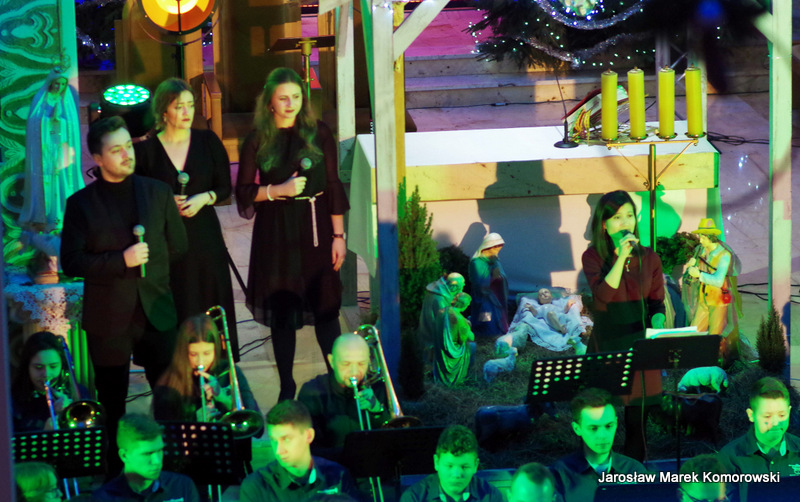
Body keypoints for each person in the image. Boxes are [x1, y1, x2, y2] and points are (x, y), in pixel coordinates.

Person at [60, 115, 188, 468]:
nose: (126, 154)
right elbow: (71, 261)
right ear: (98, 159)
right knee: (113, 403)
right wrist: (122, 260)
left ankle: (171, 466)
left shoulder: (158, 192)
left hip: (156, 310)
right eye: (116, 150)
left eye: (128, 146)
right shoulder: (81, 204)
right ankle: (116, 471)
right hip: (109, 316)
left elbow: (178, 246)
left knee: (168, 400)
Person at [236, 67, 349, 402]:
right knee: (283, 312)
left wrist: (339, 236)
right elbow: (243, 192)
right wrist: (277, 190)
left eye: (296, 97)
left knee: (325, 307)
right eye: (283, 98)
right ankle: (287, 387)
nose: (291, 104)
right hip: (277, 230)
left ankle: (338, 383)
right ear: (269, 102)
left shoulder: (319, 132)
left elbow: (332, 185)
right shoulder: (257, 139)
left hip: (316, 226)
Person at [134, 78, 239, 359]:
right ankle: (176, 365)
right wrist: (164, 202)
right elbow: (138, 196)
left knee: (208, 296)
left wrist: (205, 197)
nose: (186, 112)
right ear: (163, 110)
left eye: (191, 105)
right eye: (179, 106)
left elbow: (224, 188)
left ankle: (216, 364)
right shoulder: (145, 151)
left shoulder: (207, 141)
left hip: (204, 236)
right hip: (166, 240)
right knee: (177, 299)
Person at [581, 190, 666, 461]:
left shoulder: (650, 258)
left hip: (640, 343)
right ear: (604, 224)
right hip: (609, 342)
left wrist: (658, 322)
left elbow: (656, 302)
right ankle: (597, 467)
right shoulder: (593, 257)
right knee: (599, 414)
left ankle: (635, 470)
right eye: (617, 217)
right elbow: (603, 296)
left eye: (629, 215)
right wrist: (620, 257)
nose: (625, 222)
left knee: (636, 421)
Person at [239, 400, 361, 502]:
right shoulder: (256, 486)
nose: (278, 450)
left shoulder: (338, 475)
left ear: (309, 436)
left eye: (286, 439)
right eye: (274, 440)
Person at [152, 314, 260, 424]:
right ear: (183, 351)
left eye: (207, 353)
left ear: (215, 349)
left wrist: (226, 400)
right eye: (193, 354)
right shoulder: (167, 386)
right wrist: (195, 423)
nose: (200, 361)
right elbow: (163, 430)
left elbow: (256, 425)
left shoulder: (229, 371)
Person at [297, 333, 390, 458]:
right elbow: (309, 448)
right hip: (332, 467)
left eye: (361, 363)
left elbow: (394, 439)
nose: (354, 371)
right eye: (346, 364)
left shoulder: (378, 387)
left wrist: (377, 411)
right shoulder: (313, 391)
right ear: (331, 361)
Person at [550, 388, 647, 502]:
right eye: (593, 428)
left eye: (609, 426)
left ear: (616, 423)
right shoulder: (560, 474)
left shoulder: (633, 469)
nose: (603, 435)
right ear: (577, 428)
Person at [19, 68, 84, 233]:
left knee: (60, 177)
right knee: (46, 177)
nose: (59, 86)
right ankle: (44, 216)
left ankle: (61, 213)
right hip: (45, 148)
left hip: (61, 147)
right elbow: (34, 121)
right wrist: (49, 120)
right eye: (57, 83)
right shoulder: (42, 98)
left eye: (62, 84)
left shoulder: (65, 100)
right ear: (51, 83)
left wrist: (59, 121)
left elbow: (71, 125)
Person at [91, 413, 199, 502]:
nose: (157, 461)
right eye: (147, 454)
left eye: (160, 450)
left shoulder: (182, 486)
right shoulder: (103, 498)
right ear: (124, 456)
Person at [683, 218, 742, 364]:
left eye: (703, 237)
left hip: (718, 300)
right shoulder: (702, 250)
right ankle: (696, 361)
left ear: (710, 237)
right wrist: (692, 264)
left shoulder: (724, 255)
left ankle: (717, 363)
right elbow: (698, 267)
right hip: (704, 298)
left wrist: (699, 275)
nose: (700, 240)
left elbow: (718, 280)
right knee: (695, 330)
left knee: (715, 335)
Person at [399, 425, 504, 502]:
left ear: (475, 465)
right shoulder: (414, 498)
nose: (457, 474)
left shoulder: (491, 496)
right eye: (449, 466)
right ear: (436, 462)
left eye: (465, 467)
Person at [11, 331, 90, 432]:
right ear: (27, 367)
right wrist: (44, 433)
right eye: (38, 367)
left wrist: (70, 413)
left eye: (53, 366)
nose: (46, 374)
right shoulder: (11, 399)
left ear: (62, 365)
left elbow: (88, 433)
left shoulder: (79, 392)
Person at [720, 377, 800, 476]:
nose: (776, 423)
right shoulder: (730, 457)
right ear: (751, 415)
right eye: (767, 416)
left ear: (789, 411)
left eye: (782, 415)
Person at [469, 233, 509, 336]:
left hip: (495, 296)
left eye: (501, 245)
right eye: (497, 246)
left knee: (497, 316)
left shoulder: (496, 261)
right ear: (489, 246)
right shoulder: (476, 263)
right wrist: (492, 278)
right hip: (483, 297)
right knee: (486, 317)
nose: (499, 248)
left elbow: (502, 276)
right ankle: (483, 331)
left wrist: (499, 278)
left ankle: (496, 330)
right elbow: (478, 283)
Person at [419, 273, 465, 359]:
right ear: (453, 287)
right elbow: (445, 322)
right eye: (459, 288)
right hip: (434, 337)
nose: (460, 292)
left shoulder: (438, 292)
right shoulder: (440, 299)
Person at [433, 292, 474, 386]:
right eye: (468, 304)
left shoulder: (442, 311)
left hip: (440, 350)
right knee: (472, 346)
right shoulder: (460, 319)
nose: (468, 306)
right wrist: (468, 326)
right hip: (452, 352)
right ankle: (459, 378)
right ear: (464, 304)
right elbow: (469, 338)